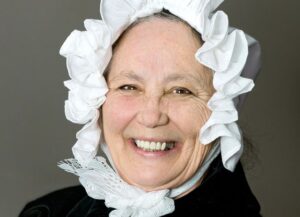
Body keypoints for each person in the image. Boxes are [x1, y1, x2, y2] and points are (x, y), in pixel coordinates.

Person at [19, 0, 262, 216]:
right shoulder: (48, 211)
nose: (151, 116)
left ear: (222, 110)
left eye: (180, 91)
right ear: (96, 100)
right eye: (128, 87)